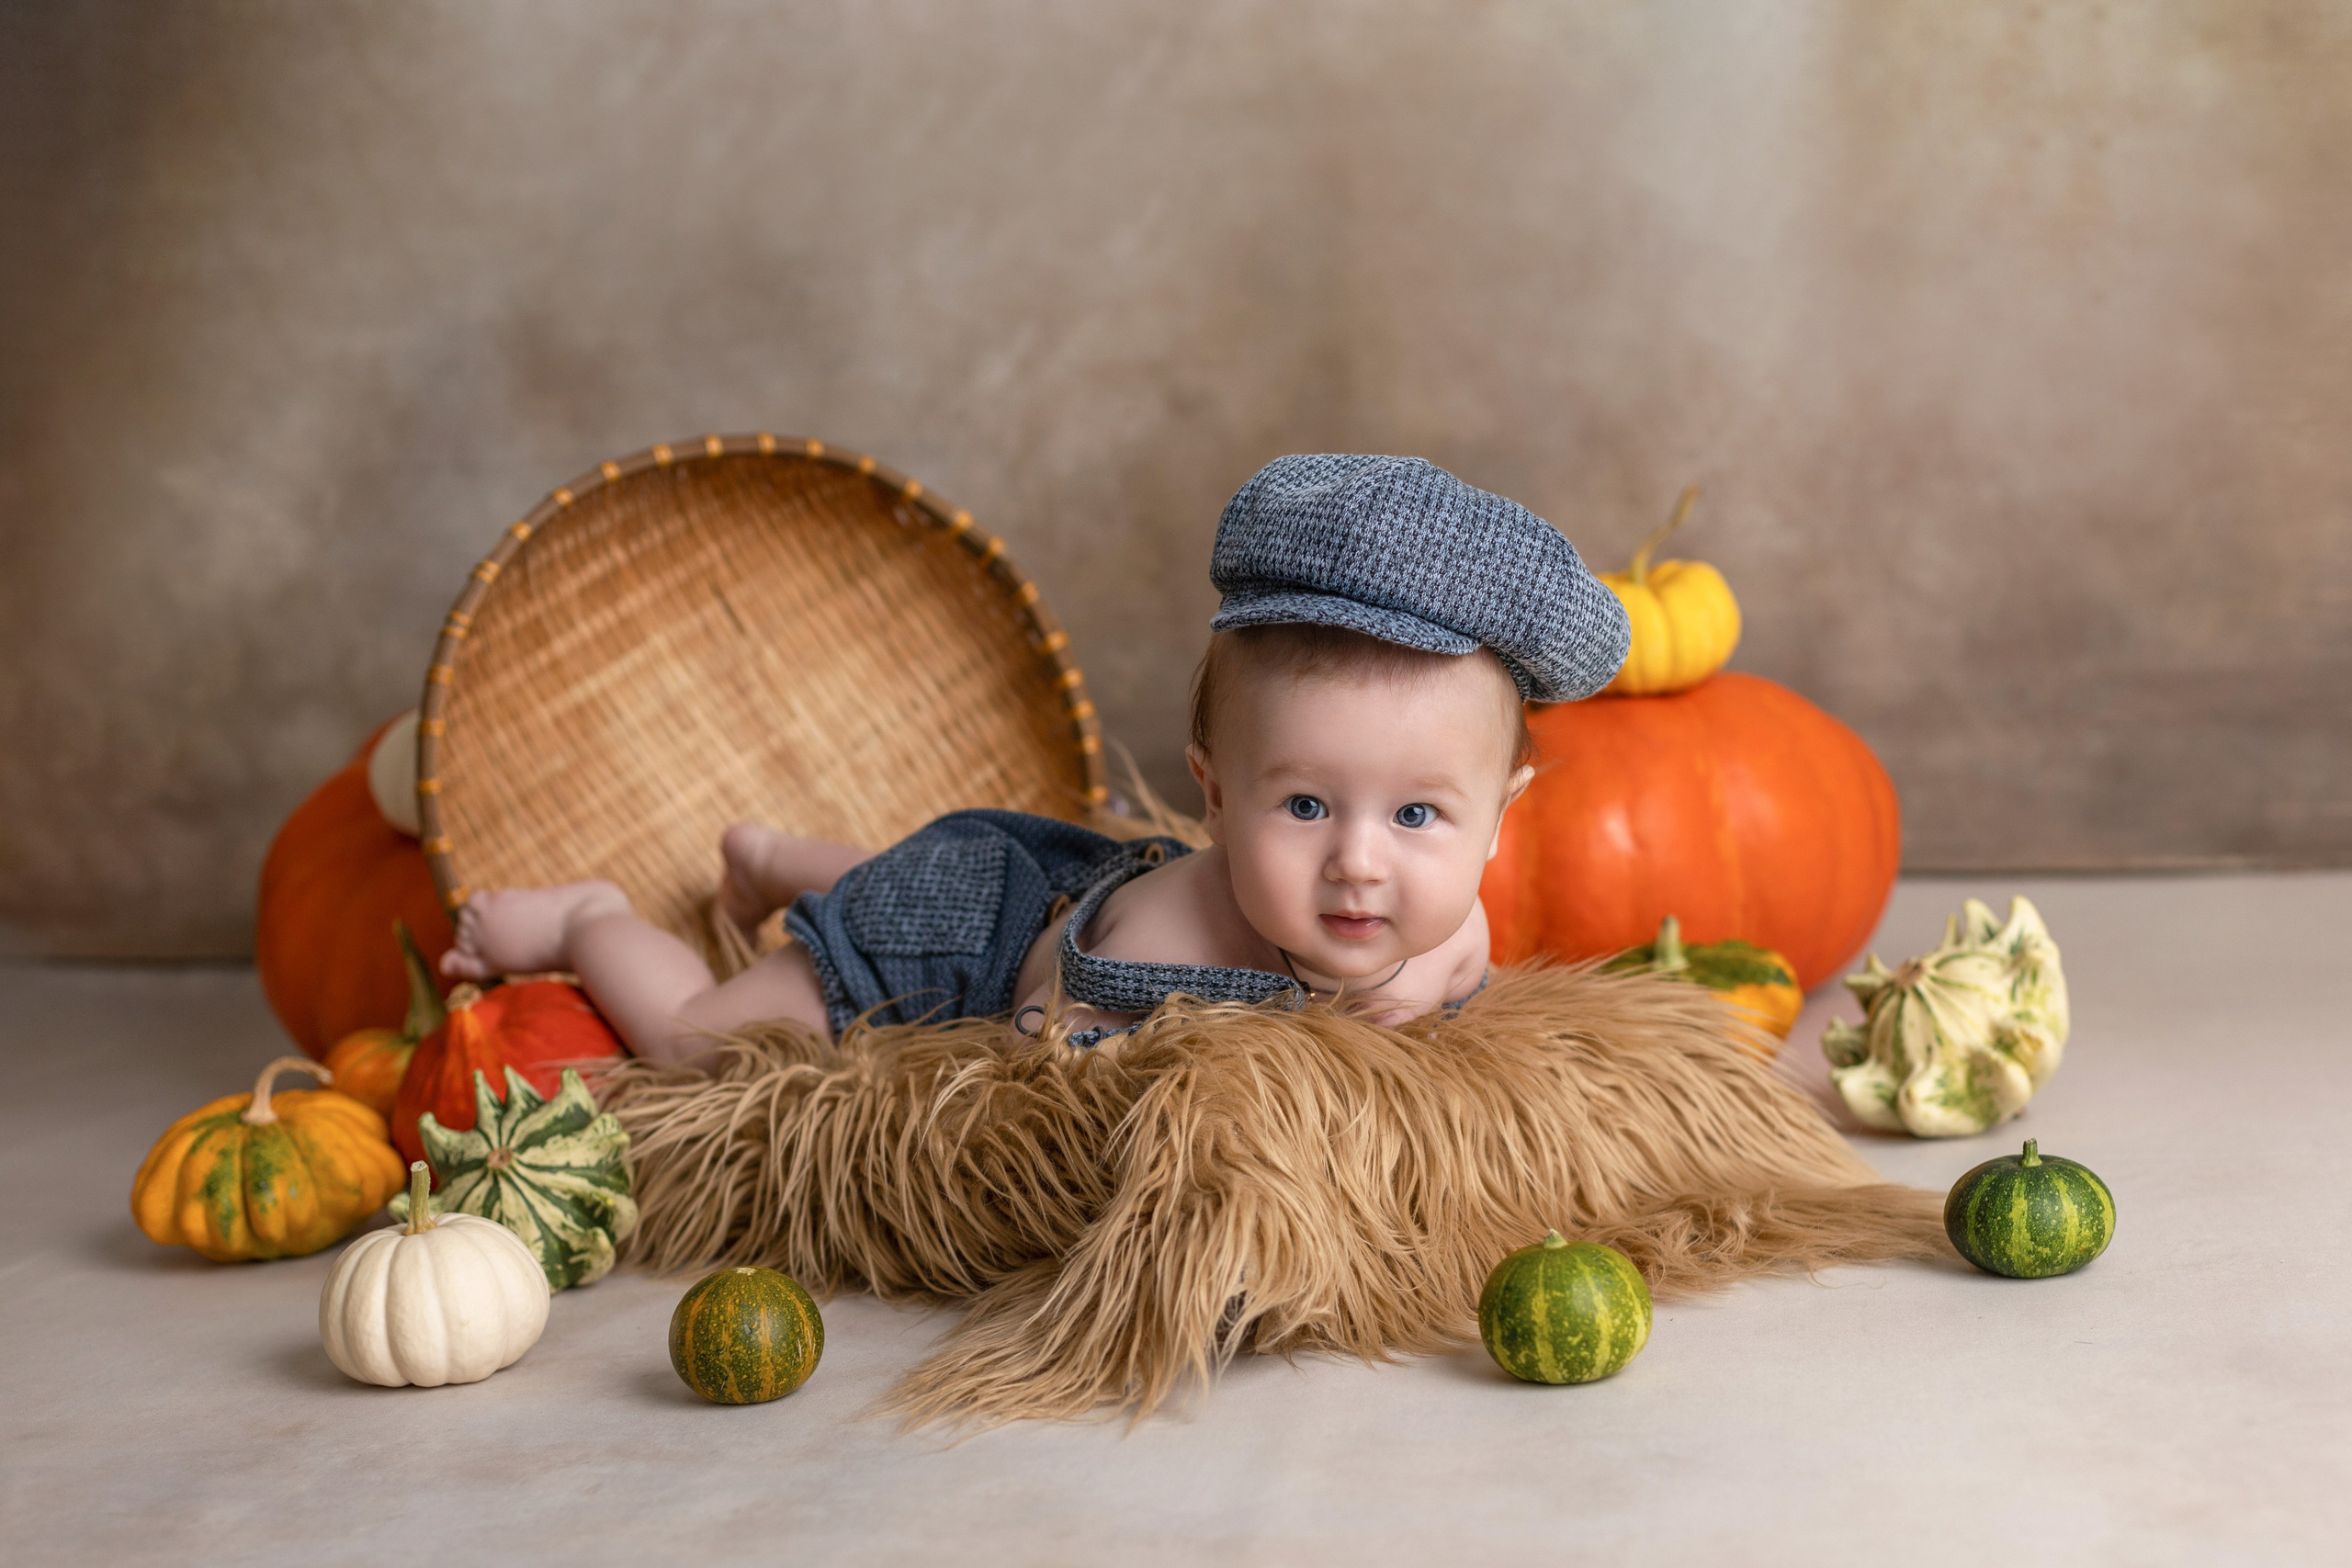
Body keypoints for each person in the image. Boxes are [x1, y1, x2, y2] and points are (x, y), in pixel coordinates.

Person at [441, 454, 1630, 1062]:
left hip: (1017, 865)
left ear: (1501, 814)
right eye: (1308, 805)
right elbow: (1034, 1021)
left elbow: (1460, 940)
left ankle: (769, 857)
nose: (1360, 868)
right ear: (1212, 794)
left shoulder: (1438, 919)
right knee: (704, 1045)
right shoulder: (1156, 953)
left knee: (923, 870)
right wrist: (1081, 1055)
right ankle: (588, 920)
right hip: (956, 943)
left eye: (1419, 819)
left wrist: (1422, 976)